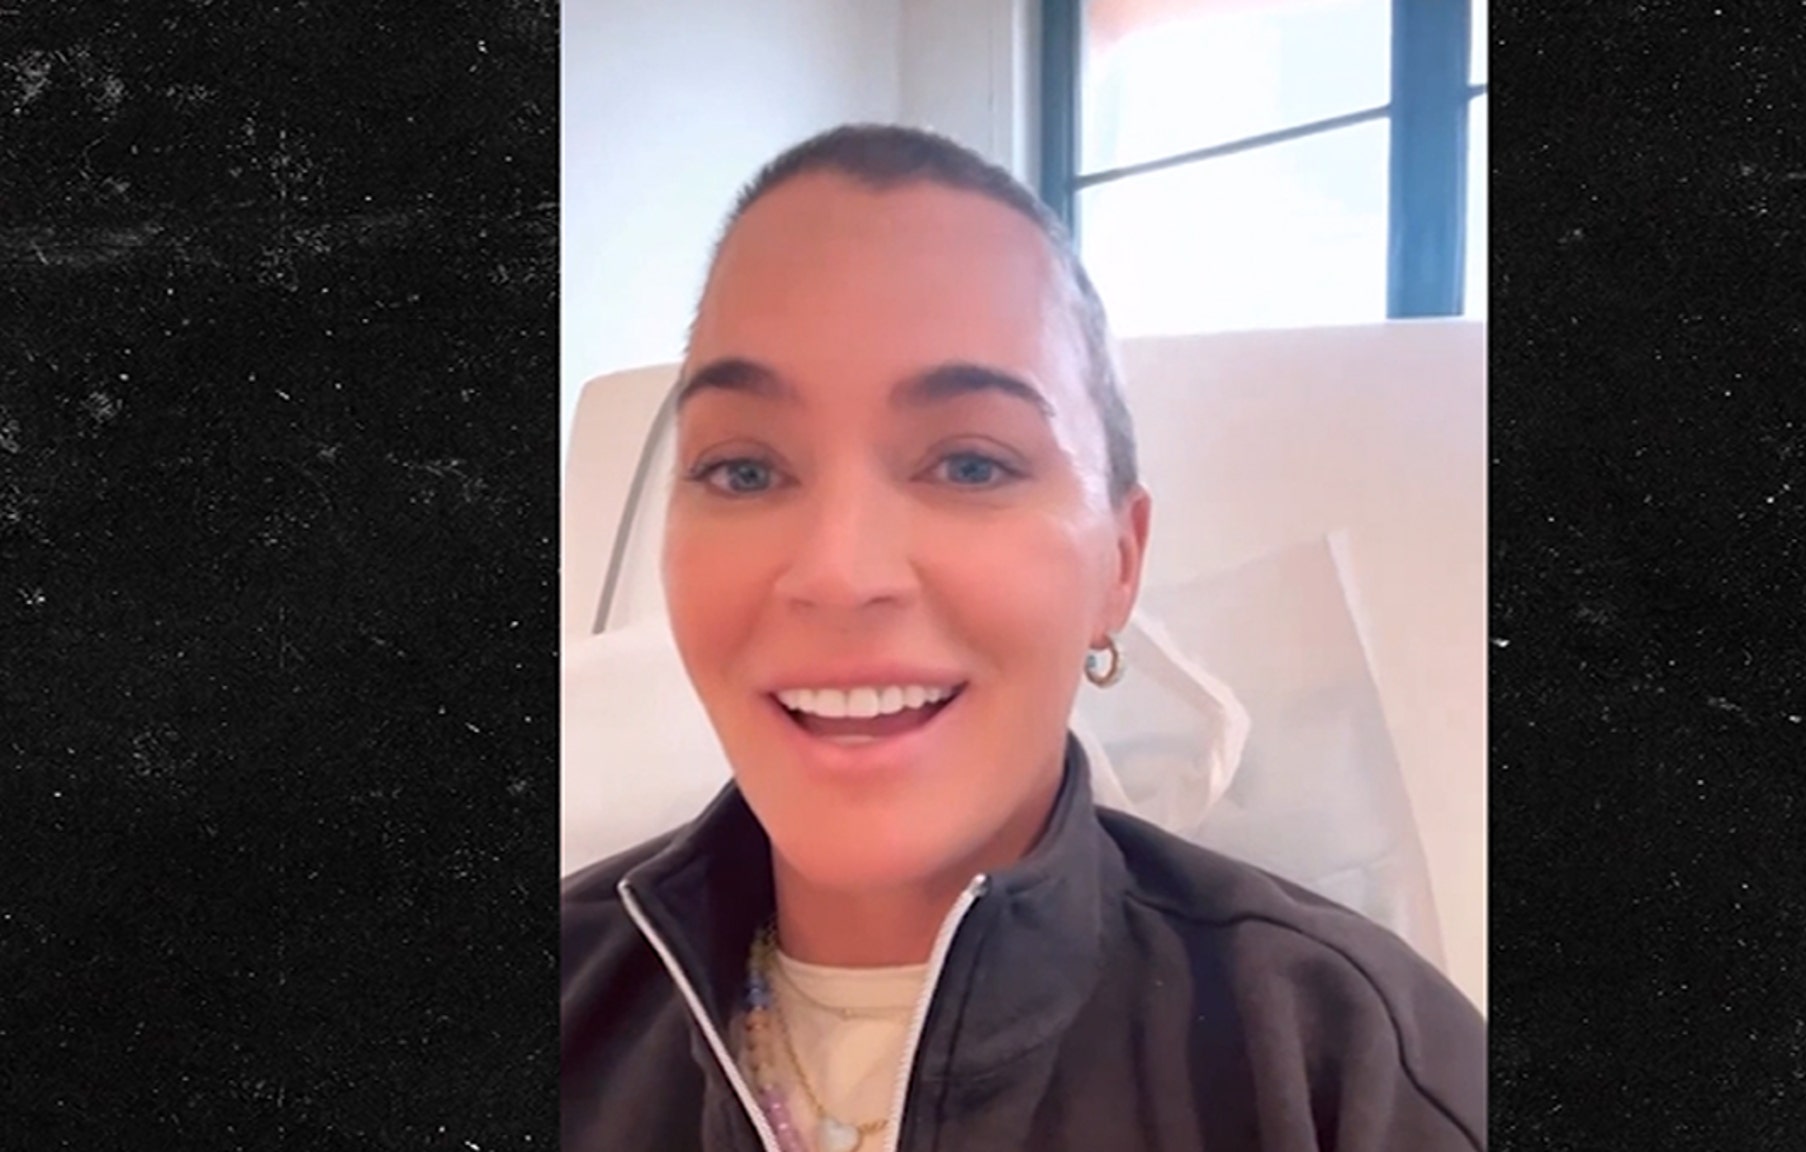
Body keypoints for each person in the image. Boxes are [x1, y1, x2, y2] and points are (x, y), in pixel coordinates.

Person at [560, 123, 1485, 1152]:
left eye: (970, 466)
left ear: (1119, 563)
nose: (838, 574)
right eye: (744, 471)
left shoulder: (1349, 1070)